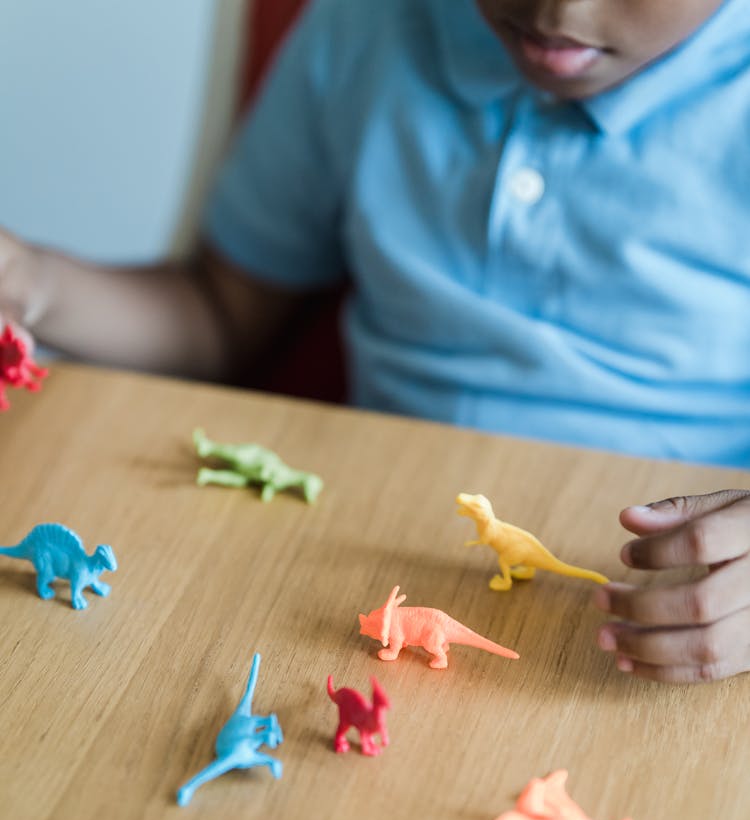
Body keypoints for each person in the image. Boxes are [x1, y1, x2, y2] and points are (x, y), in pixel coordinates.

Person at [1, 0, 749, 683]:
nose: (559, 8)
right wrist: (34, 283)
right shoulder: (366, 26)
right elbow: (220, 316)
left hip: (658, 623)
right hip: (343, 566)